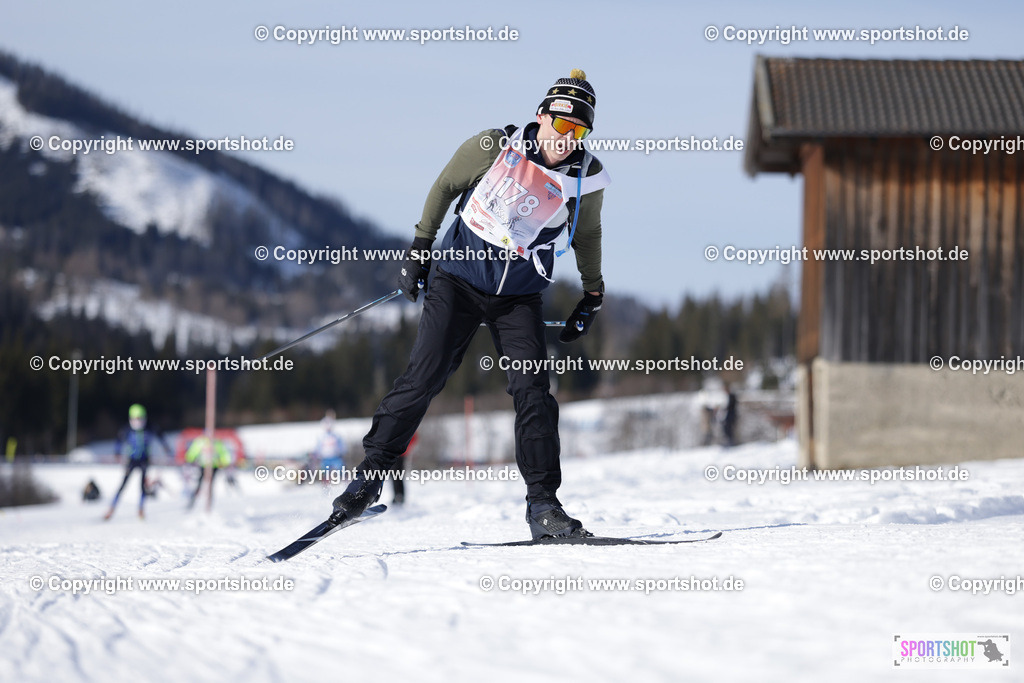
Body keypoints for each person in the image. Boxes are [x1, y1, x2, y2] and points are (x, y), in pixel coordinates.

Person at [329, 69, 610, 539]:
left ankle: (543, 505)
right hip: (456, 281)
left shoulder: (586, 177)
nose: (568, 139)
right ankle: (368, 479)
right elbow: (443, 187)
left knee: (533, 391)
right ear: (541, 117)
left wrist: (593, 292)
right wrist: (420, 248)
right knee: (424, 376)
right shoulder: (493, 148)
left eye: (580, 131)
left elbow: (588, 234)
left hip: (518, 295)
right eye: (562, 125)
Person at [104, 404, 170, 520]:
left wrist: (166, 447)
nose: (138, 421)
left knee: (142, 487)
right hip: (131, 460)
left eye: (140, 418)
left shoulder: (150, 428)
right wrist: (117, 452)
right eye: (136, 419)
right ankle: (112, 508)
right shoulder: (127, 430)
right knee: (123, 485)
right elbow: (119, 441)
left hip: (145, 460)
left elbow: (161, 436)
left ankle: (141, 509)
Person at [185, 435, 232, 509]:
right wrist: (190, 459)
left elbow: (223, 453)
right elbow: (193, 451)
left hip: (214, 466)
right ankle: (193, 501)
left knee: (211, 485)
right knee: (199, 484)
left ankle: (209, 503)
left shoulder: (217, 442)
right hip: (203, 465)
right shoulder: (201, 442)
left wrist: (225, 462)